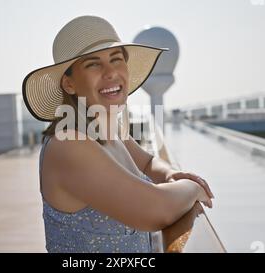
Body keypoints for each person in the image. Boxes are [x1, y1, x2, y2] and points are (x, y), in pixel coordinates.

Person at [22, 15, 214, 253]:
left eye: (116, 59)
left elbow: (147, 162)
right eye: (93, 63)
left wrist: (171, 174)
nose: (110, 72)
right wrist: (192, 188)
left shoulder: (107, 128)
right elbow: (154, 209)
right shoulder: (69, 144)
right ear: (69, 84)